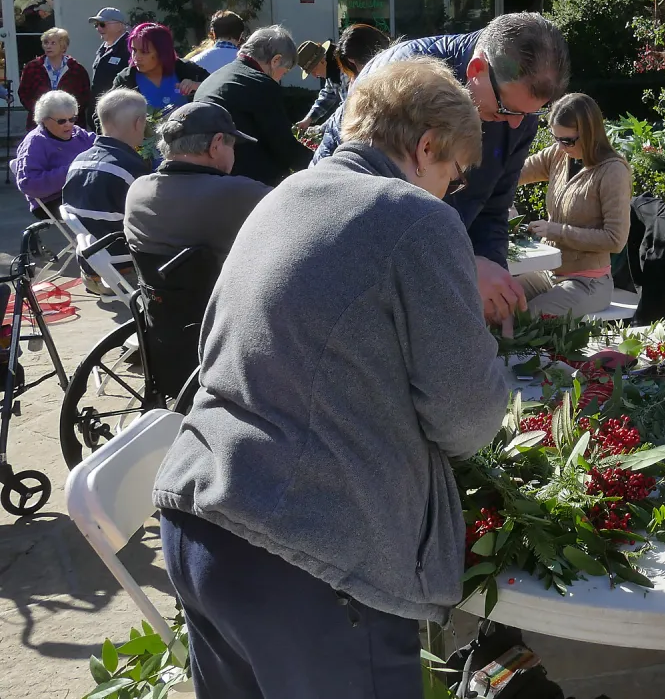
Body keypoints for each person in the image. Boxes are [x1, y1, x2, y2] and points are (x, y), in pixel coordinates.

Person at [153, 58, 507, 696]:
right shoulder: (417, 219)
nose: (452, 191)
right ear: (426, 146)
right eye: (452, 174)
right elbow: (467, 416)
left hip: (200, 519)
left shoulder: (284, 194)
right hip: (308, 554)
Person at [313, 13, 570, 326]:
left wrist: (491, 289)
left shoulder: (514, 102)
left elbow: (493, 209)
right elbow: (368, 224)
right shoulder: (399, 83)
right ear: (476, 70)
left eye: (531, 115)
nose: (517, 124)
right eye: (509, 111)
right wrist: (462, 269)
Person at [517, 93, 632, 318]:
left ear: (589, 134)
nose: (560, 147)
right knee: (497, 302)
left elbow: (615, 240)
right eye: (555, 138)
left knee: (526, 316)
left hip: (588, 282)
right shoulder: (559, 155)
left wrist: (557, 231)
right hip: (547, 273)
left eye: (567, 140)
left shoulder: (613, 171)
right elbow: (513, 174)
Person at [124, 101, 271, 262]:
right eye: (232, 146)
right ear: (216, 144)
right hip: (227, 286)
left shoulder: (137, 189)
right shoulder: (241, 192)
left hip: (155, 286)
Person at [194, 25, 312, 186]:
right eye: (284, 72)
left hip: (206, 176)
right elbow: (283, 146)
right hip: (248, 183)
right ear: (275, 61)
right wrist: (320, 165)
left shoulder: (213, 79)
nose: (280, 79)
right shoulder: (261, 84)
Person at [62, 88, 150, 268]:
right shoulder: (132, 168)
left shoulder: (78, 161)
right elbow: (151, 227)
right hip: (124, 266)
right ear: (139, 122)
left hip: (91, 263)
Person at [10, 90, 96, 217]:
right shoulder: (35, 142)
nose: (68, 124)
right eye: (61, 121)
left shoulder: (78, 133)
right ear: (44, 120)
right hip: (52, 201)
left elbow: (100, 145)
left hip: (81, 193)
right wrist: (74, 170)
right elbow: (29, 184)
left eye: (72, 119)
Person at [294, 23, 392, 131]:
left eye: (313, 71)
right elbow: (328, 95)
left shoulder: (346, 68)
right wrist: (308, 119)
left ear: (322, 61)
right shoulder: (331, 71)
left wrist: (323, 129)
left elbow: (348, 107)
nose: (314, 76)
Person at [111, 22, 208, 114]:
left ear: (162, 53)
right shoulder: (125, 80)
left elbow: (218, 90)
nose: (136, 57)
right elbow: (107, 113)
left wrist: (197, 85)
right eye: (134, 50)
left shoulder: (186, 69)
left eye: (144, 52)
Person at [18, 27, 92, 130]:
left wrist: (69, 114)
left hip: (69, 123)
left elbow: (84, 95)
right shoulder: (33, 67)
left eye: (53, 43)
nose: (48, 46)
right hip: (41, 122)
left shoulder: (76, 69)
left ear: (63, 46)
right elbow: (24, 92)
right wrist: (40, 111)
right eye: (46, 43)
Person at [88, 7, 130, 101]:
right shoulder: (103, 49)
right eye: (96, 25)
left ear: (119, 26)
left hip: (119, 107)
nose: (98, 28)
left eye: (102, 24)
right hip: (100, 107)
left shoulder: (130, 48)